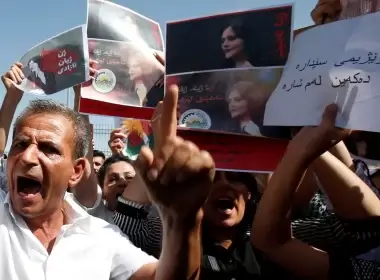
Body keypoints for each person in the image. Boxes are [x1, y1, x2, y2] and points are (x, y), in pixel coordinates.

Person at [0, 83, 214, 280]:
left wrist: (184, 220)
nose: (27, 157)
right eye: (20, 144)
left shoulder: (102, 236)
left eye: (49, 149)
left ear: (76, 172)